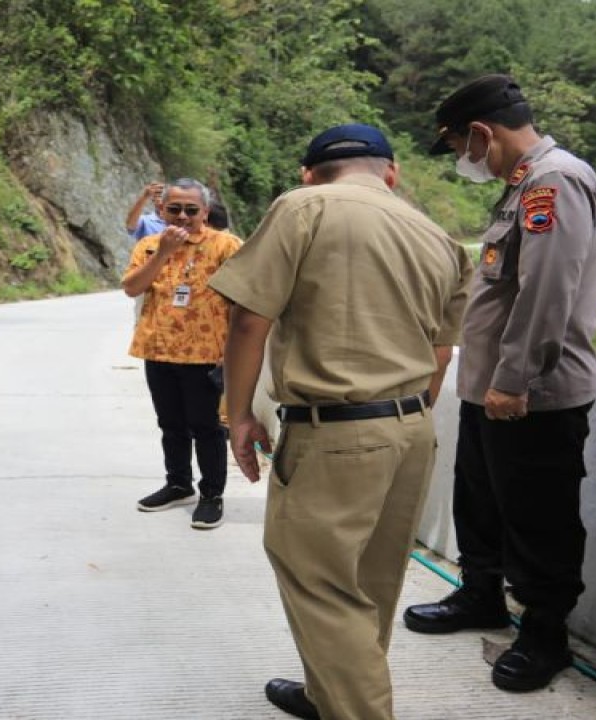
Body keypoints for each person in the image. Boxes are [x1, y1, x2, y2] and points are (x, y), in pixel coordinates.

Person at [211, 123, 472, 720]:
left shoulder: (303, 207)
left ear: (308, 173)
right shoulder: (439, 238)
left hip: (336, 430)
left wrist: (238, 414)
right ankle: (329, 694)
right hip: (412, 429)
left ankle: (354, 709)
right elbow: (441, 354)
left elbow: (248, 321)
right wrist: (405, 420)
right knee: (372, 578)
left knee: (320, 582)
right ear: (392, 172)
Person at [401, 74, 596, 693]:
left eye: (457, 146)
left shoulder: (554, 181)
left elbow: (548, 290)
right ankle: (481, 596)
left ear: (480, 133)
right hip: (490, 386)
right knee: (482, 500)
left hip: (529, 395)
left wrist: (516, 378)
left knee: (538, 516)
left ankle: (545, 634)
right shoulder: (523, 184)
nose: (461, 159)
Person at [123, 178, 242, 529]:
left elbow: (243, 299)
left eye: (191, 210)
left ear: (205, 212)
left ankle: (211, 495)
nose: (183, 216)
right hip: (158, 349)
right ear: (162, 210)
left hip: (206, 354)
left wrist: (233, 349)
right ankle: (178, 484)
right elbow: (132, 287)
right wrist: (163, 253)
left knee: (206, 427)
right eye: (174, 209)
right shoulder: (148, 246)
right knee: (170, 424)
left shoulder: (226, 246)